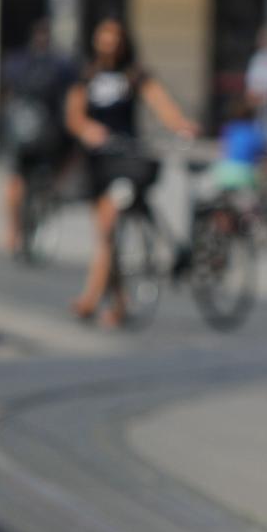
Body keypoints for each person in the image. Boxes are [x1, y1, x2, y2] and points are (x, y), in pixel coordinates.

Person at [66, 17, 198, 327]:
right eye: (104, 36)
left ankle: (91, 297)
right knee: (105, 235)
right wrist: (87, 129)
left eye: (114, 37)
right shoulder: (87, 74)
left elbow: (161, 104)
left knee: (108, 226)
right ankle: (120, 302)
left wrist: (181, 125)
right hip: (97, 160)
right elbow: (74, 115)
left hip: (125, 159)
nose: (109, 43)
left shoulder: (134, 74)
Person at [1, 19, 75, 256]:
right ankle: (52, 193)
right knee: (29, 178)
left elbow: (5, 95)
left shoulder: (16, 62)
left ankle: (14, 232)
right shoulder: (61, 64)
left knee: (16, 180)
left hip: (21, 132)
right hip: (49, 133)